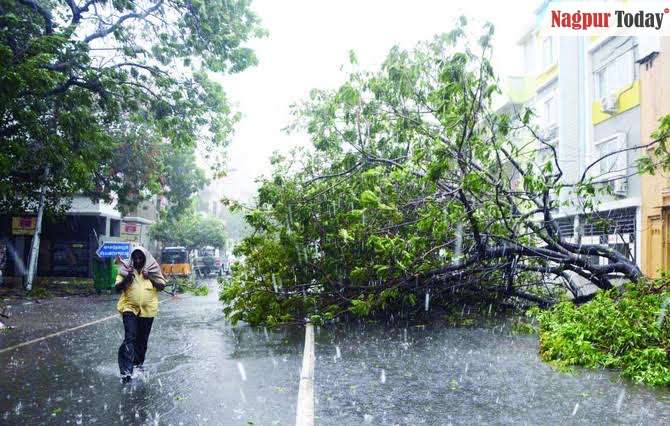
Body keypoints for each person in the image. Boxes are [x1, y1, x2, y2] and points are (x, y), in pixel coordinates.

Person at [115, 246, 166, 383]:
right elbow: (116, 288)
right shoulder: (126, 269)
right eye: (135, 258)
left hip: (148, 310)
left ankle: (137, 364)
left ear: (145, 258)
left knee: (142, 341)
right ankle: (126, 370)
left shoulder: (152, 269)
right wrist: (128, 279)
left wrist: (149, 277)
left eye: (140, 258)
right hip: (129, 307)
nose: (137, 260)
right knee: (130, 337)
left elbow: (162, 286)